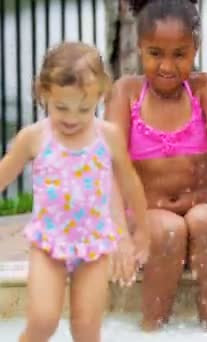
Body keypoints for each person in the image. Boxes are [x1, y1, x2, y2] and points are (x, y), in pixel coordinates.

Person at [104, 0, 207, 332]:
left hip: (200, 216)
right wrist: (119, 238)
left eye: (180, 54)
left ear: (195, 49)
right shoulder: (126, 94)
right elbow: (111, 170)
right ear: (140, 48)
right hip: (149, 224)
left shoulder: (205, 89)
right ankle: (152, 329)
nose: (167, 66)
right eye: (156, 53)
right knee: (168, 229)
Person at [0, 41, 149, 342]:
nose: (71, 118)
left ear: (100, 96)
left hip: (94, 245)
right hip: (49, 244)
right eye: (61, 107)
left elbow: (130, 182)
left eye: (84, 108)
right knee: (43, 322)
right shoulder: (34, 137)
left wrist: (141, 233)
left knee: (86, 330)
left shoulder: (108, 136)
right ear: (44, 94)